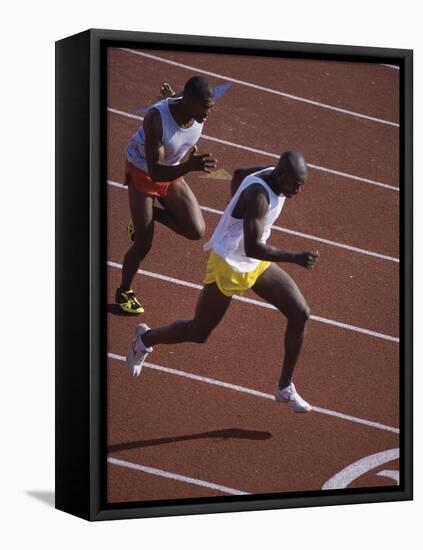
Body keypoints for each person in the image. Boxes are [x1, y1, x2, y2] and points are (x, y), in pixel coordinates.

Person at [126, 150, 320, 412]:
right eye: (295, 184)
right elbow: (252, 248)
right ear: (282, 174)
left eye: (302, 184)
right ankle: (145, 340)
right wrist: (294, 256)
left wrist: (234, 207)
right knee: (198, 332)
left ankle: (284, 388)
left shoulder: (268, 174)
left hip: (254, 260)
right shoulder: (259, 197)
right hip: (229, 262)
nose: (298, 190)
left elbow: (239, 174)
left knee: (300, 313)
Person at [116, 76, 217, 314]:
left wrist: (169, 97)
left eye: (211, 107)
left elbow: (176, 100)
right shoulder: (156, 120)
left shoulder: (190, 109)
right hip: (144, 170)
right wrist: (189, 167)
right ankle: (123, 292)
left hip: (170, 170)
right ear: (190, 101)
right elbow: (155, 171)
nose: (208, 113)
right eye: (204, 107)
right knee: (143, 243)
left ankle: (147, 217)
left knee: (195, 230)